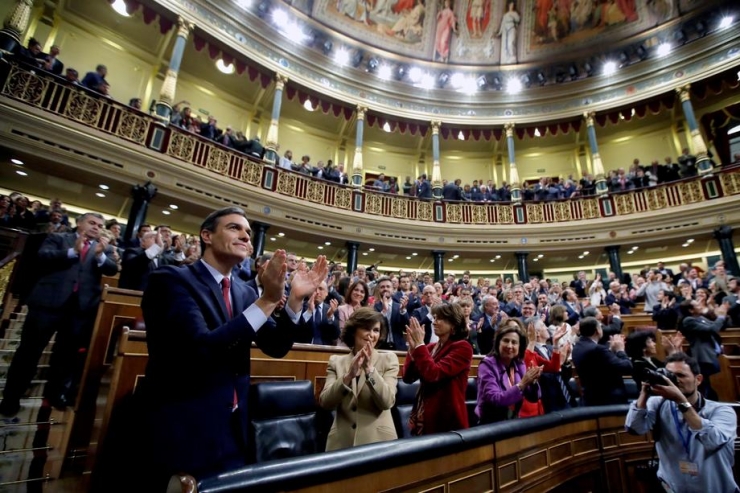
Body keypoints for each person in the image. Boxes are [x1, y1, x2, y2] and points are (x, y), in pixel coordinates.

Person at [105, 207, 328, 489]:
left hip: (233, 427)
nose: (246, 235)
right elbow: (201, 349)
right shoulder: (171, 280)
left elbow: (276, 346)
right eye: (235, 228)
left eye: (248, 231)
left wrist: (294, 300)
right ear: (207, 235)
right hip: (184, 425)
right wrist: (268, 301)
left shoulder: (245, 292)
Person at [0, 213, 119, 415]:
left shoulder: (102, 247)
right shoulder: (59, 238)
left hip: (78, 310)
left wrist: (100, 255)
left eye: (99, 225)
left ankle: (55, 395)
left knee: (66, 357)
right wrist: (72, 251)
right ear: (79, 223)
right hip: (47, 304)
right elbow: (43, 256)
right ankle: (12, 398)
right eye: (91, 223)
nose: (96, 227)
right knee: (28, 354)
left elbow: (111, 269)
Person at [625, 353, 740, 493]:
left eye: (681, 375)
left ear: (698, 379)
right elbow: (634, 429)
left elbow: (713, 440)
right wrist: (644, 393)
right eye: (670, 375)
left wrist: (681, 401)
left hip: (715, 487)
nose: (674, 380)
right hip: (673, 487)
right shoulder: (658, 404)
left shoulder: (722, 411)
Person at [319, 308, 398, 451]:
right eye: (366, 329)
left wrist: (370, 370)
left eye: (376, 330)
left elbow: (387, 402)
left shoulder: (388, 359)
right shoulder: (336, 362)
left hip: (378, 443)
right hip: (341, 444)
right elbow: (325, 402)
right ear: (354, 330)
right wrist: (348, 376)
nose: (371, 335)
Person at [403, 303, 473, 435]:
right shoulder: (429, 348)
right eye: (434, 318)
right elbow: (408, 378)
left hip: (446, 419)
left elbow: (433, 374)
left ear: (453, 324)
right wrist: (412, 351)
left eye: (440, 319)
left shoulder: (463, 347)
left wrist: (419, 346)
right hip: (423, 415)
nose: (434, 322)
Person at [476, 320, 543, 424]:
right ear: (498, 343)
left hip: (513, 422)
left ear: (519, 347)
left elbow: (534, 398)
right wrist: (522, 384)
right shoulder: (487, 365)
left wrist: (532, 381)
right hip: (490, 424)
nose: (510, 346)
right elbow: (495, 399)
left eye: (514, 342)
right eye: (506, 341)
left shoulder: (519, 364)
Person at [571, 317, 632, 406]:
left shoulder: (578, 346)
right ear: (597, 331)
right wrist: (620, 350)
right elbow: (627, 367)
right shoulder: (598, 349)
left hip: (590, 397)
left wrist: (610, 351)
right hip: (608, 399)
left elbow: (600, 364)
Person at [678, 299, 730, 400]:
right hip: (703, 357)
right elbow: (711, 329)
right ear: (691, 310)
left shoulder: (701, 318)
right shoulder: (688, 320)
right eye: (697, 304)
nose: (700, 305)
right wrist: (720, 317)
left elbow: (719, 326)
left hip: (714, 355)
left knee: (713, 384)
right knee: (706, 385)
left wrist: (723, 314)